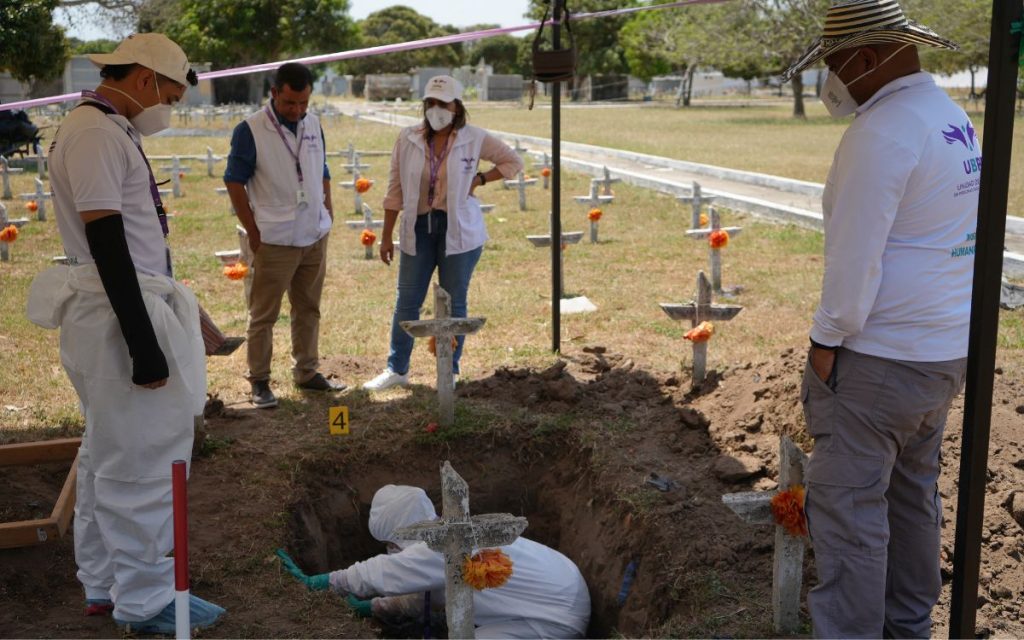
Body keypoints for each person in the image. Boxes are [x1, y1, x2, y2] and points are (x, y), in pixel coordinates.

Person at [782, 1, 975, 636]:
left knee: (849, 507)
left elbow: (855, 258)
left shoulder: (880, 131)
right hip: (942, 351)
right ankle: (907, 626)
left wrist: (825, 340)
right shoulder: (949, 117)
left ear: (867, 57)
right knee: (913, 495)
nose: (832, 79)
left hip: (881, 358)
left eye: (835, 62)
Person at [25, 33, 224, 633]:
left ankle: (107, 583)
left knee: (107, 452)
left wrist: (189, 314)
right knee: (142, 460)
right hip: (117, 319)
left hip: (125, 306)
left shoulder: (107, 128)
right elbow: (108, 242)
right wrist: (145, 345)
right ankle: (146, 600)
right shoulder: (93, 132)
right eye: (170, 94)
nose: (171, 106)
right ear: (142, 80)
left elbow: (136, 246)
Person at [362, 75, 523, 391]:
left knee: (454, 302)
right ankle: (397, 369)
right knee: (407, 300)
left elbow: (512, 162)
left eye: (444, 104)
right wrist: (385, 236)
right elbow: (395, 189)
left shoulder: (473, 138)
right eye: (431, 103)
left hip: (458, 230)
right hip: (418, 228)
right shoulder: (407, 138)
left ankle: (450, 370)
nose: (437, 110)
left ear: (457, 106)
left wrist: (479, 179)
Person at [277, 485, 591, 638]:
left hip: (554, 621)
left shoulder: (437, 547)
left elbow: (381, 573)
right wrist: (371, 608)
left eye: (389, 544)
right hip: (566, 588)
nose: (390, 552)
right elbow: (420, 598)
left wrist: (322, 582)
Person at [224, 62, 343, 409]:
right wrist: (253, 229)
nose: (297, 110)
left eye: (304, 103)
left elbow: (322, 167)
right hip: (273, 238)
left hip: (313, 234)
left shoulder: (313, 123)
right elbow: (234, 180)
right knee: (264, 314)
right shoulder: (250, 130)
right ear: (274, 93)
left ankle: (307, 371)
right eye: (290, 103)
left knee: (308, 308)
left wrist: (328, 207)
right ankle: (259, 381)